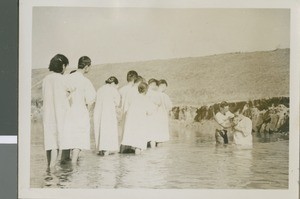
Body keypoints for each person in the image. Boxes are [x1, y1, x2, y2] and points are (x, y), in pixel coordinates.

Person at [60, 56, 96, 163]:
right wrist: (88, 113)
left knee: (67, 137)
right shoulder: (85, 81)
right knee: (78, 139)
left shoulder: (66, 77)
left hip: (66, 112)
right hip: (80, 111)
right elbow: (91, 100)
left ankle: (63, 162)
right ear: (86, 67)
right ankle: (73, 164)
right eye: (89, 67)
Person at [42, 54, 70, 168]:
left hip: (48, 114)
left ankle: (49, 168)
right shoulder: (62, 79)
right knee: (58, 142)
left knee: (50, 141)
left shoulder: (46, 79)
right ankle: (53, 169)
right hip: (60, 114)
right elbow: (72, 90)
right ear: (63, 66)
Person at [121, 82, 155, 154]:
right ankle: (138, 162)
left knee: (127, 141)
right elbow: (150, 112)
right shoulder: (146, 99)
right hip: (140, 124)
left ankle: (123, 160)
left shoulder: (133, 98)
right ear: (146, 90)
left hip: (130, 123)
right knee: (138, 145)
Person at [94, 76, 120, 156]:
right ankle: (106, 152)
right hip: (109, 114)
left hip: (98, 114)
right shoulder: (113, 90)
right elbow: (117, 103)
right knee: (108, 132)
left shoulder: (100, 89)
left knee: (100, 131)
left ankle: (101, 150)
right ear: (113, 83)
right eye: (116, 85)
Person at [118, 70, 138, 152]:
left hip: (123, 114)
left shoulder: (121, 90)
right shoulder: (135, 90)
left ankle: (122, 154)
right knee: (132, 135)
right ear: (135, 79)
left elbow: (119, 104)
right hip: (132, 115)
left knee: (123, 135)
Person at [146, 78, 162, 148]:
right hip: (153, 116)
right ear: (153, 85)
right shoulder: (155, 94)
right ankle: (153, 153)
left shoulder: (144, 92)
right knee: (153, 137)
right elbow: (159, 103)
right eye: (156, 85)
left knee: (146, 136)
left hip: (145, 116)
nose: (156, 87)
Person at [156, 79, 173, 144]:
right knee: (160, 139)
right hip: (162, 119)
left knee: (153, 138)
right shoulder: (165, 96)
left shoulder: (152, 94)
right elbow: (170, 107)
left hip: (153, 119)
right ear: (163, 86)